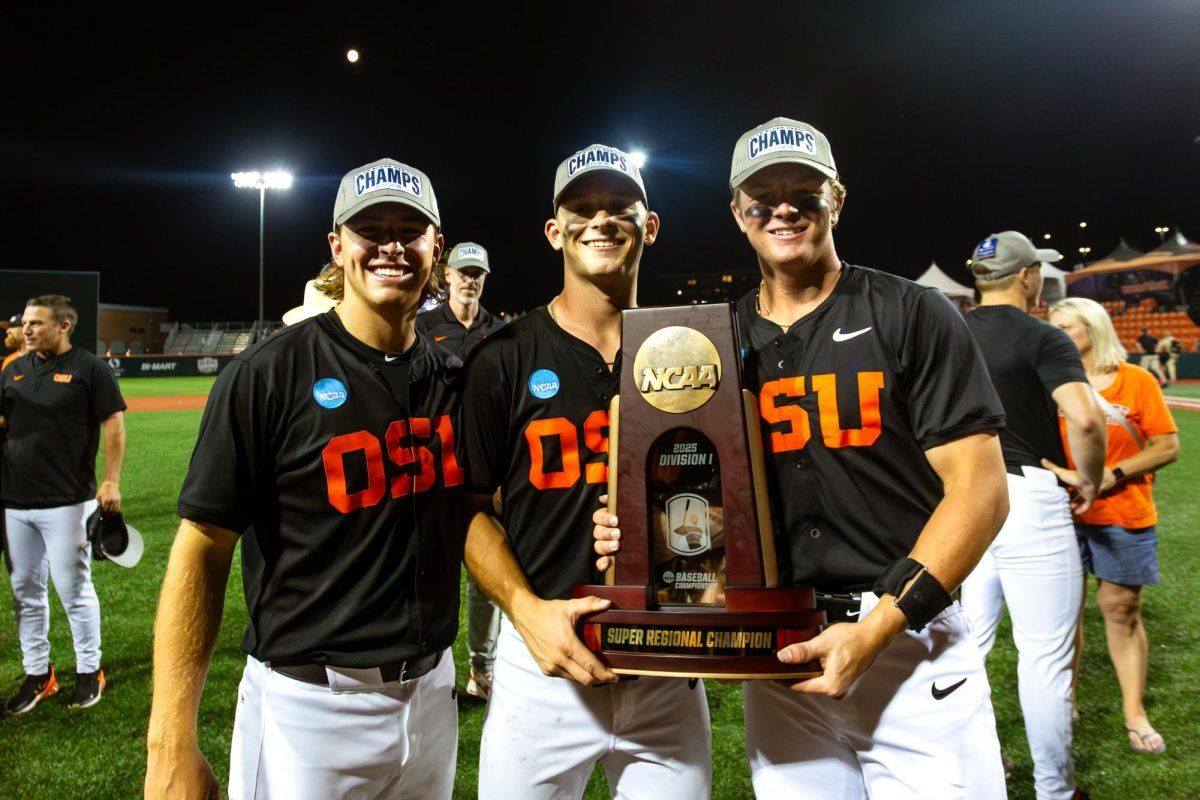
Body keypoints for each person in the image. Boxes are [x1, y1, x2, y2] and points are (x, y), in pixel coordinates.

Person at [593, 118, 1011, 799]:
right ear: (738, 213)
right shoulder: (713, 343)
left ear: (836, 200)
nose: (782, 209)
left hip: (910, 647)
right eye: (762, 197)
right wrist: (635, 528)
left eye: (803, 192)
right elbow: (692, 491)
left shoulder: (913, 311)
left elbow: (980, 490)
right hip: (781, 655)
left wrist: (878, 626)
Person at [145, 157, 466, 800]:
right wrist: (170, 742)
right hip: (308, 708)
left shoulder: (453, 377)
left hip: (433, 693)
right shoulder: (268, 373)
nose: (392, 246)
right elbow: (202, 548)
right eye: (370, 229)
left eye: (410, 228)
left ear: (437, 245)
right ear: (338, 245)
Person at [462, 144, 712, 799]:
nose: (599, 220)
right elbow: (466, 507)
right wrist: (523, 610)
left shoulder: (689, 350)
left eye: (619, 208)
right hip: (543, 667)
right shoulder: (504, 358)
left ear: (649, 226)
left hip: (666, 666)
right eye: (581, 208)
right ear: (555, 230)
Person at [960, 232, 1107, 800]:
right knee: (1044, 656)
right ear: (1027, 277)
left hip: (965, 500)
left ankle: (981, 772)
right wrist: (1089, 478)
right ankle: (1055, 789)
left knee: (968, 648)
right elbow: (1086, 419)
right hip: (1030, 498)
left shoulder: (950, 330)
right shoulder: (1042, 334)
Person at [1043, 297, 1180, 756]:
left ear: (1094, 328)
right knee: (1063, 615)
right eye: (1053, 326)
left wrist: (1110, 475)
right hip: (1061, 513)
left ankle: (1133, 711)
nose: (1057, 333)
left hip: (1123, 513)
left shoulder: (1135, 380)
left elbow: (1166, 446)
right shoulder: (1048, 380)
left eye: (1067, 326)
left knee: (1120, 611)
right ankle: (1067, 700)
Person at [2, 295, 125, 713]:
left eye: (37, 323)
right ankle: (39, 674)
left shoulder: (90, 368)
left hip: (67, 502)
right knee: (25, 592)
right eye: (27, 323)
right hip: (14, 502)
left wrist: (110, 480)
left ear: (64, 326)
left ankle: (90, 670)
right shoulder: (13, 370)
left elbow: (114, 423)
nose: (27, 329)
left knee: (73, 590)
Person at [417, 242, 506, 699]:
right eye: (462, 272)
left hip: (485, 470)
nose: (470, 280)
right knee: (429, 566)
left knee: (485, 576)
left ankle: (482, 668)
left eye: (478, 273)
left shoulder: (500, 331)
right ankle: (424, 665)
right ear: (446, 275)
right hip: (434, 467)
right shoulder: (423, 326)